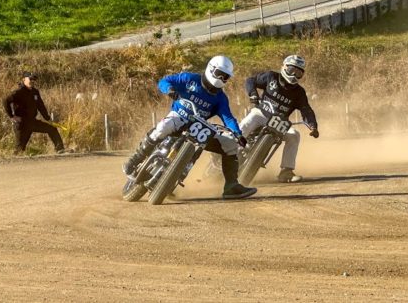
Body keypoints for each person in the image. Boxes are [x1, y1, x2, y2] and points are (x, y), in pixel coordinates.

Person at [122, 55, 257, 200]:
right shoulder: (189, 79)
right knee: (162, 128)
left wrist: (238, 134)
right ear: (211, 69)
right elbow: (164, 81)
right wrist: (169, 89)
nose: (222, 79)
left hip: (200, 126)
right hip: (179, 117)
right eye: (220, 74)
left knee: (230, 145)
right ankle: (135, 159)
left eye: (226, 77)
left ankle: (231, 186)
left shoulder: (221, 98)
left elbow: (228, 117)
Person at [240, 55, 319, 183]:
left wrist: (313, 126)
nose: (294, 75)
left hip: (280, 123)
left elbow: (306, 109)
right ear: (284, 67)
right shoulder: (271, 76)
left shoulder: (299, 92)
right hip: (261, 114)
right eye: (291, 70)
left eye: (298, 73)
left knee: (294, 135)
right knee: (248, 121)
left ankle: (286, 172)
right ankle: (230, 146)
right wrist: (253, 94)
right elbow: (251, 80)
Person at [3, 72, 66, 155]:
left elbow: (41, 106)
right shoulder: (18, 92)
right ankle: (12, 160)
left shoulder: (35, 92)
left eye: (34, 79)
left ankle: (60, 150)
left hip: (32, 122)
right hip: (22, 124)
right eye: (30, 79)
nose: (32, 81)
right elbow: (5, 101)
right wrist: (11, 116)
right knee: (19, 149)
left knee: (52, 129)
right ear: (24, 80)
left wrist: (47, 118)